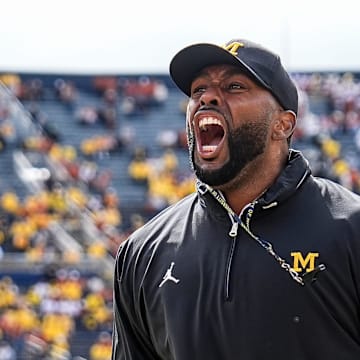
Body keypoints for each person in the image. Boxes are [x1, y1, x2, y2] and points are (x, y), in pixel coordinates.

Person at [111, 38, 360, 359]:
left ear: (282, 125)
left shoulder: (351, 229)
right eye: (198, 90)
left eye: (235, 87)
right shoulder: (143, 252)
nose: (208, 97)